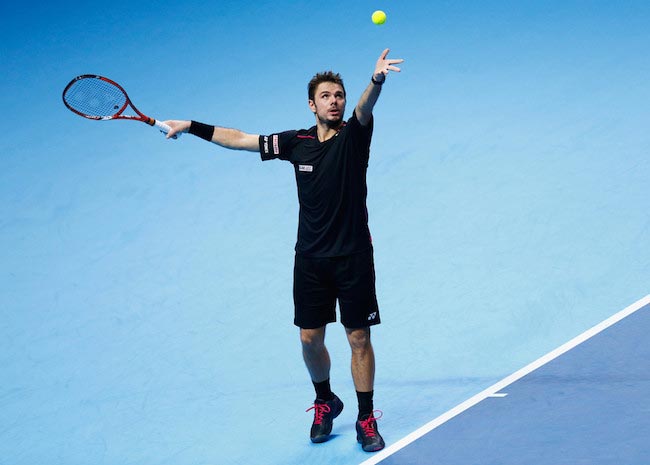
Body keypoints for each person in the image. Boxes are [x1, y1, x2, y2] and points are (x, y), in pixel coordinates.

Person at [164, 48, 404, 453]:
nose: (335, 101)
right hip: (310, 259)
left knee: (358, 337)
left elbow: (366, 108)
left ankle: (365, 416)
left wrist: (375, 80)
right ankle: (325, 400)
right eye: (326, 96)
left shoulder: (354, 135)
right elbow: (241, 139)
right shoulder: (296, 142)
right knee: (310, 340)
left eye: (339, 95)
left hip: (353, 257)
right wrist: (189, 126)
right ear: (312, 104)